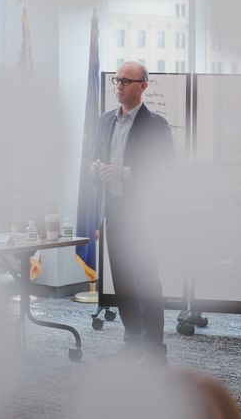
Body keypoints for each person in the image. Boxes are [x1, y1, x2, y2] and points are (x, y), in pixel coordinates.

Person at [91, 60, 174, 365]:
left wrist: (124, 173)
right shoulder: (104, 122)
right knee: (123, 280)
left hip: (143, 216)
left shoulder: (156, 125)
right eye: (117, 80)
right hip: (114, 211)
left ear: (143, 86)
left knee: (146, 281)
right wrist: (97, 170)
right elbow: (92, 160)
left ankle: (154, 351)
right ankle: (133, 343)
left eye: (126, 81)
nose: (119, 86)